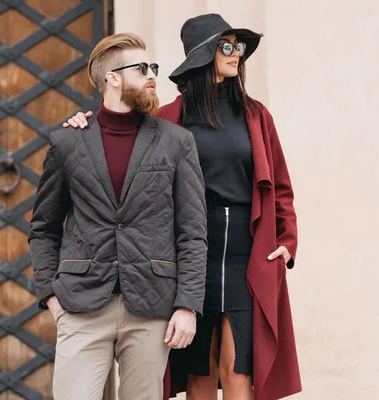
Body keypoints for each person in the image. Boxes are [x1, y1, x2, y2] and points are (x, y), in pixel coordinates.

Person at [63, 14, 301, 400]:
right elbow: (117, 130)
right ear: (204, 53)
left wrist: (287, 241)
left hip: (248, 253)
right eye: (226, 46)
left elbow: (282, 187)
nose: (235, 54)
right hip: (190, 253)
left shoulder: (257, 116)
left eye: (238, 46)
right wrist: (82, 123)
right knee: (199, 370)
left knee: (239, 368)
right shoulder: (167, 118)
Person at [29, 32, 208, 400]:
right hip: (80, 305)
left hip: (151, 306)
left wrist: (188, 304)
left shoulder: (176, 142)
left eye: (152, 67)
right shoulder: (67, 142)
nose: (152, 75)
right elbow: (44, 228)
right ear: (112, 78)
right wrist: (50, 295)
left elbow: (192, 231)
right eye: (142, 68)